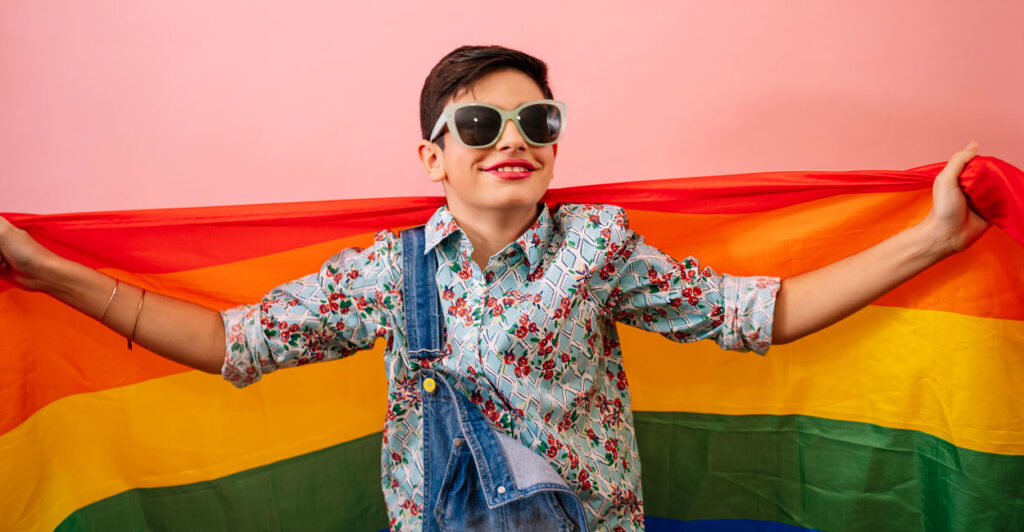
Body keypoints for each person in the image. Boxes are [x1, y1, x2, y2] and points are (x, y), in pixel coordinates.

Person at [0, 45, 989, 531]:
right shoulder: (389, 271)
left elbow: (758, 313)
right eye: (481, 125)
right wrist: (47, 272)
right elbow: (233, 341)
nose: (513, 139)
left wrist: (931, 239)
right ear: (433, 154)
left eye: (537, 121)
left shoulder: (598, 249)